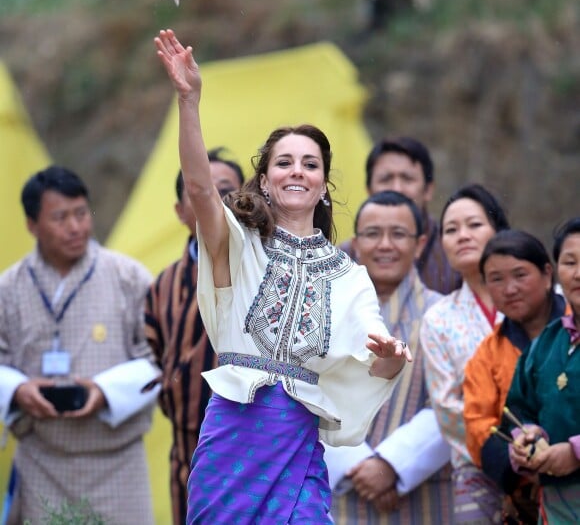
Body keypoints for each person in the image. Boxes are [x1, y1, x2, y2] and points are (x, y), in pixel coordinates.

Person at [154, 28, 412, 524]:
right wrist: (189, 102)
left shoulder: (348, 276)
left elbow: (375, 359)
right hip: (231, 436)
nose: (297, 171)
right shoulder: (239, 245)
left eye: (310, 164)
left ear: (324, 185)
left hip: (297, 441)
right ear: (267, 180)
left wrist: (391, 357)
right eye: (284, 162)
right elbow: (201, 190)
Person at [0, 166, 159, 525]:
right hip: (41, 460)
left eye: (81, 213)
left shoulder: (128, 277)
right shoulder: (8, 288)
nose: (75, 227)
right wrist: (18, 390)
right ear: (31, 224)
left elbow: (159, 359)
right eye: (60, 217)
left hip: (118, 462)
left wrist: (104, 391)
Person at [325, 190, 453, 524]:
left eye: (398, 234)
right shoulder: (324, 314)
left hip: (422, 494)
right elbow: (305, 393)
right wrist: (358, 467)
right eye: (372, 234)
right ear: (355, 242)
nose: (385, 245)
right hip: (338, 491)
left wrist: (392, 465)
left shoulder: (445, 314)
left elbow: (459, 404)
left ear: (421, 244)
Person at [144, 148, 244, 525]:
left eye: (225, 190)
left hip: (252, 445)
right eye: (199, 190)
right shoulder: (163, 284)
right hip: (187, 449)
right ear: (180, 210)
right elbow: (150, 356)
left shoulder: (262, 266)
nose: (211, 199)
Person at [419, 183, 510, 523]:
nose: (462, 236)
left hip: (552, 460)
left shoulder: (538, 302)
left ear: (498, 230)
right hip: (479, 470)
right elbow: (446, 406)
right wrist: (508, 454)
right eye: (451, 230)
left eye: (474, 225)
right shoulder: (439, 318)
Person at [463, 230, 568, 523]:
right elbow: (479, 426)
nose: (509, 289)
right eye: (496, 279)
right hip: (527, 494)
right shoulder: (487, 355)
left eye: (520, 275)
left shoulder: (573, 331)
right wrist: (521, 455)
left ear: (548, 274)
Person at [506, 217, 580, 523]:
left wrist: (575, 452)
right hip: (556, 505)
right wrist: (527, 439)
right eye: (570, 261)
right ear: (556, 271)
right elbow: (520, 408)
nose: (579, 273)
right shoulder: (547, 342)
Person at [340, 136, 461, 294]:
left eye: (407, 179)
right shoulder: (342, 260)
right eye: (386, 179)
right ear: (368, 190)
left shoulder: (453, 254)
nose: (396, 188)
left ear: (428, 190)